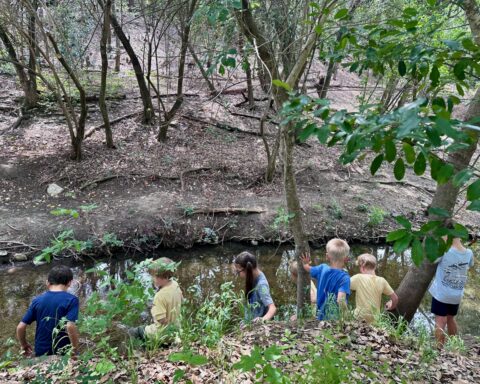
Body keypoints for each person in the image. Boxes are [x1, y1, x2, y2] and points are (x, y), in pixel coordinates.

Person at [16, 265, 80, 357]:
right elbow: (70, 326)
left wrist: (24, 344)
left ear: (47, 282)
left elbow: (20, 327)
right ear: (70, 283)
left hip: (41, 351)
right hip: (63, 351)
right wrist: (74, 350)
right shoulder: (71, 300)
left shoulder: (37, 301)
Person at [428, 221, 474, 347]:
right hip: (457, 294)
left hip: (442, 294)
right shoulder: (469, 253)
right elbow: (471, 264)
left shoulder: (444, 251)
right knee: (451, 318)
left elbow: (432, 260)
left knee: (440, 320)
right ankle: (454, 345)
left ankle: (439, 348)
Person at [129, 257, 183, 341]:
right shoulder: (175, 285)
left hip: (163, 334)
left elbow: (161, 319)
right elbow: (181, 300)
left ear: (160, 277)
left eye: (153, 276)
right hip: (177, 329)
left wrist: (154, 310)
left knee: (136, 331)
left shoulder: (159, 296)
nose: (152, 279)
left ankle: (143, 345)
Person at [301, 239, 350, 320]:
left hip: (320, 316)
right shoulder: (344, 278)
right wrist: (347, 318)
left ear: (327, 256)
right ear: (346, 258)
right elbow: (341, 300)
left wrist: (305, 263)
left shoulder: (322, 268)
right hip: (335, 320)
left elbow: (308, 268)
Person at [350, 253, 398, 323]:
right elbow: (395, 298)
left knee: (349, 313)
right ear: (375, 267)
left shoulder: (358, 278)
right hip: (375, 319)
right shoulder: (382, 280)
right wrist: (392, 306)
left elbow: (343, 286)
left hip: (360, 317)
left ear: (362, 267)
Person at [234, 251, 276, 322]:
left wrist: (262, 320)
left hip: (255, 324)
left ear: (247, 270)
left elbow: (272, 308)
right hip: (250, 318)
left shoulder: (261, 285)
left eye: (238, 272)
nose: (237, 274)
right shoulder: (255, 275)